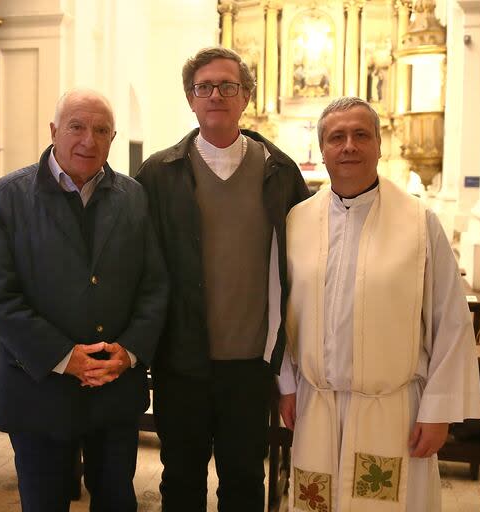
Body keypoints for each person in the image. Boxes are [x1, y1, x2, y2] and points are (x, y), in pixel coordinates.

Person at [278, 97, 480, 512]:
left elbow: (451, 321)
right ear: (323, 149)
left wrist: (438, 410)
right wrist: (286, 385)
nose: (349, 146)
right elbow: (281, 313)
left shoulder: (419, 223)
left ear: (379, 144)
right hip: (315, 405)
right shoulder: (297, 221)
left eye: (360, 135)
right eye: (337, 137)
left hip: (392, 412)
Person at [0, 88, 168, 512]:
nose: (89, 140)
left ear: (113, 138)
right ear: (54, 130)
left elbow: (154, 285)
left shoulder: (133, 196)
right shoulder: (6, 197)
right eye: (76, 127)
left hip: (114, 386)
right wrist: (65, 356)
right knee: (44, 503)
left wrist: (130, 352)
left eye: (102, 130)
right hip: (39, 387)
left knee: (117, 499)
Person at [136, 46, 309, 511]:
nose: (216, 95)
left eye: (228, 86)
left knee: (245, 482)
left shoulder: (281, 171)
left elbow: (304, 264)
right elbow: (139, 266)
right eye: (204, 87)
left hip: (251, 365)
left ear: (246, 97)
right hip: (181, 361)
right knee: (181, 481)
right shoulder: (158, 173)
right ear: (191, 99)